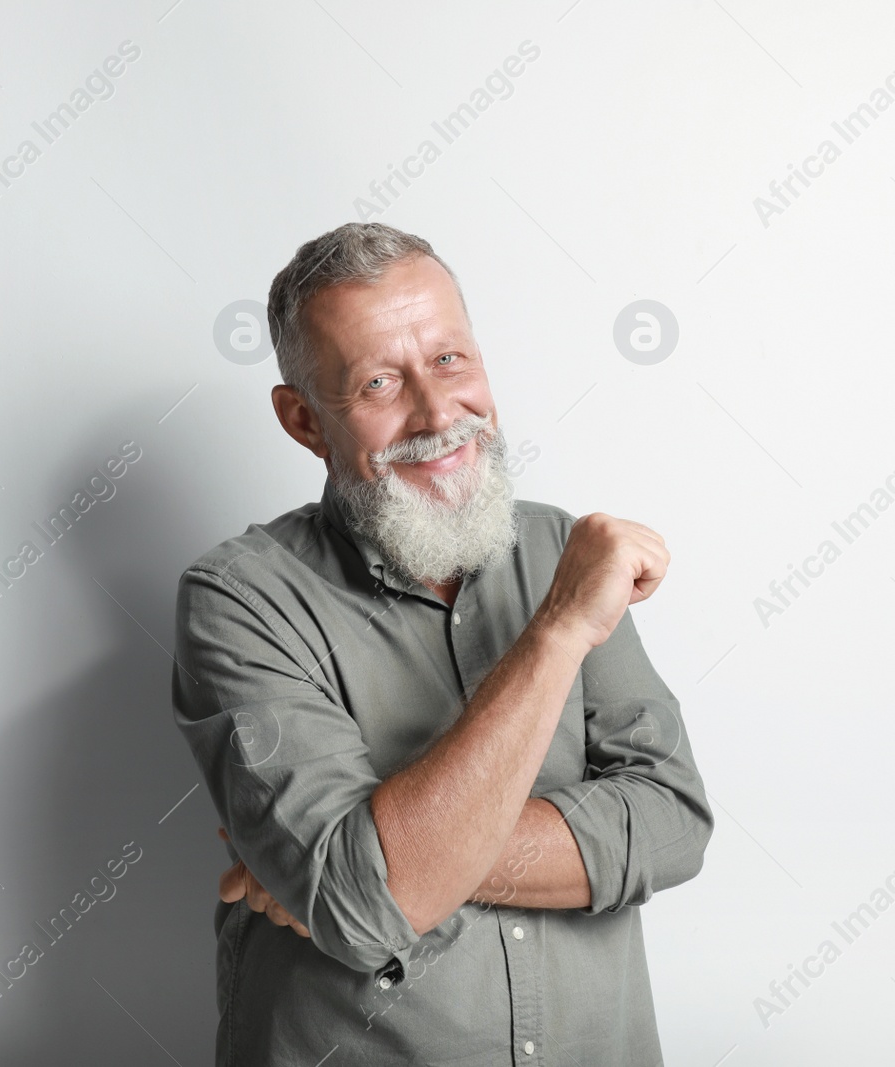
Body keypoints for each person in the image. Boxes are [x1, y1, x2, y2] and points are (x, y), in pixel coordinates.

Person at [171, 221, 713, 1065]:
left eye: (451, 360)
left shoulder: (562, 548)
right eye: (379, 381)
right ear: (303, 420)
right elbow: (366, 901)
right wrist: (560, 627)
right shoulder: (240, 598)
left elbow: (675, 821)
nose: (437, 412)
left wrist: (367, 868)